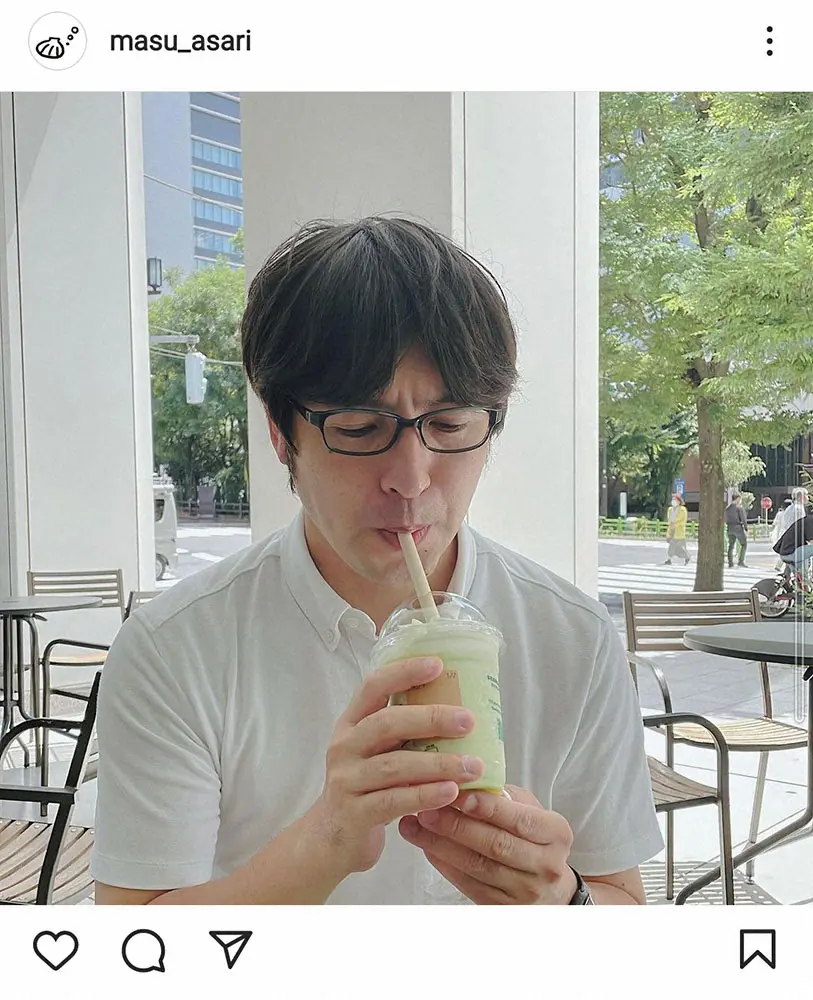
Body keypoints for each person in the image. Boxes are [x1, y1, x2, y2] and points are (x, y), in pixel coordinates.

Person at [92, 217, 662, 906]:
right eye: (360, 428)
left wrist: (562, 902)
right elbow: (136, 936)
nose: (411, 478)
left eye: (449, 425)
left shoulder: (572, 637)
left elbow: (620, 899)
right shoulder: (177, 648)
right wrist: (325, 841)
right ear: (281, 434)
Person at [773, 488, 813, 577]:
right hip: (794, 544)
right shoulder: (799, 509)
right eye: (806, 495)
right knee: (804, 558)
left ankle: (789, 577)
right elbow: (803, 528)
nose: (807, 497)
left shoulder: (790, 508)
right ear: (801, 497)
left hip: (787, 542)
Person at [663, 493, 689, 565]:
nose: (673, 501)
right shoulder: (670, 509)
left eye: (675, 500)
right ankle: (670, 559)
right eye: (673, 500)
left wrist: (676, 524)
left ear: (679, 501)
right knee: (673, 546)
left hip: (679, 530)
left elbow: (683, 520)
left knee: (678, 547)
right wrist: (670, 526)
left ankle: (686, 557)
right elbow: (669, 519)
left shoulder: (682, 509)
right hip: (671, 529)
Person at [724, 492, 748, 568]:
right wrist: (746, 529)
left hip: (729, 528)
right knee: (744, 544)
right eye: (740, 499)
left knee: (731, 545)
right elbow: (743, 519)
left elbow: (725, 519)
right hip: (738, 528)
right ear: (738, 499)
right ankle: (741, 561)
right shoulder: (739, 508)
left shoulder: (727, 509)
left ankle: (730, 563)